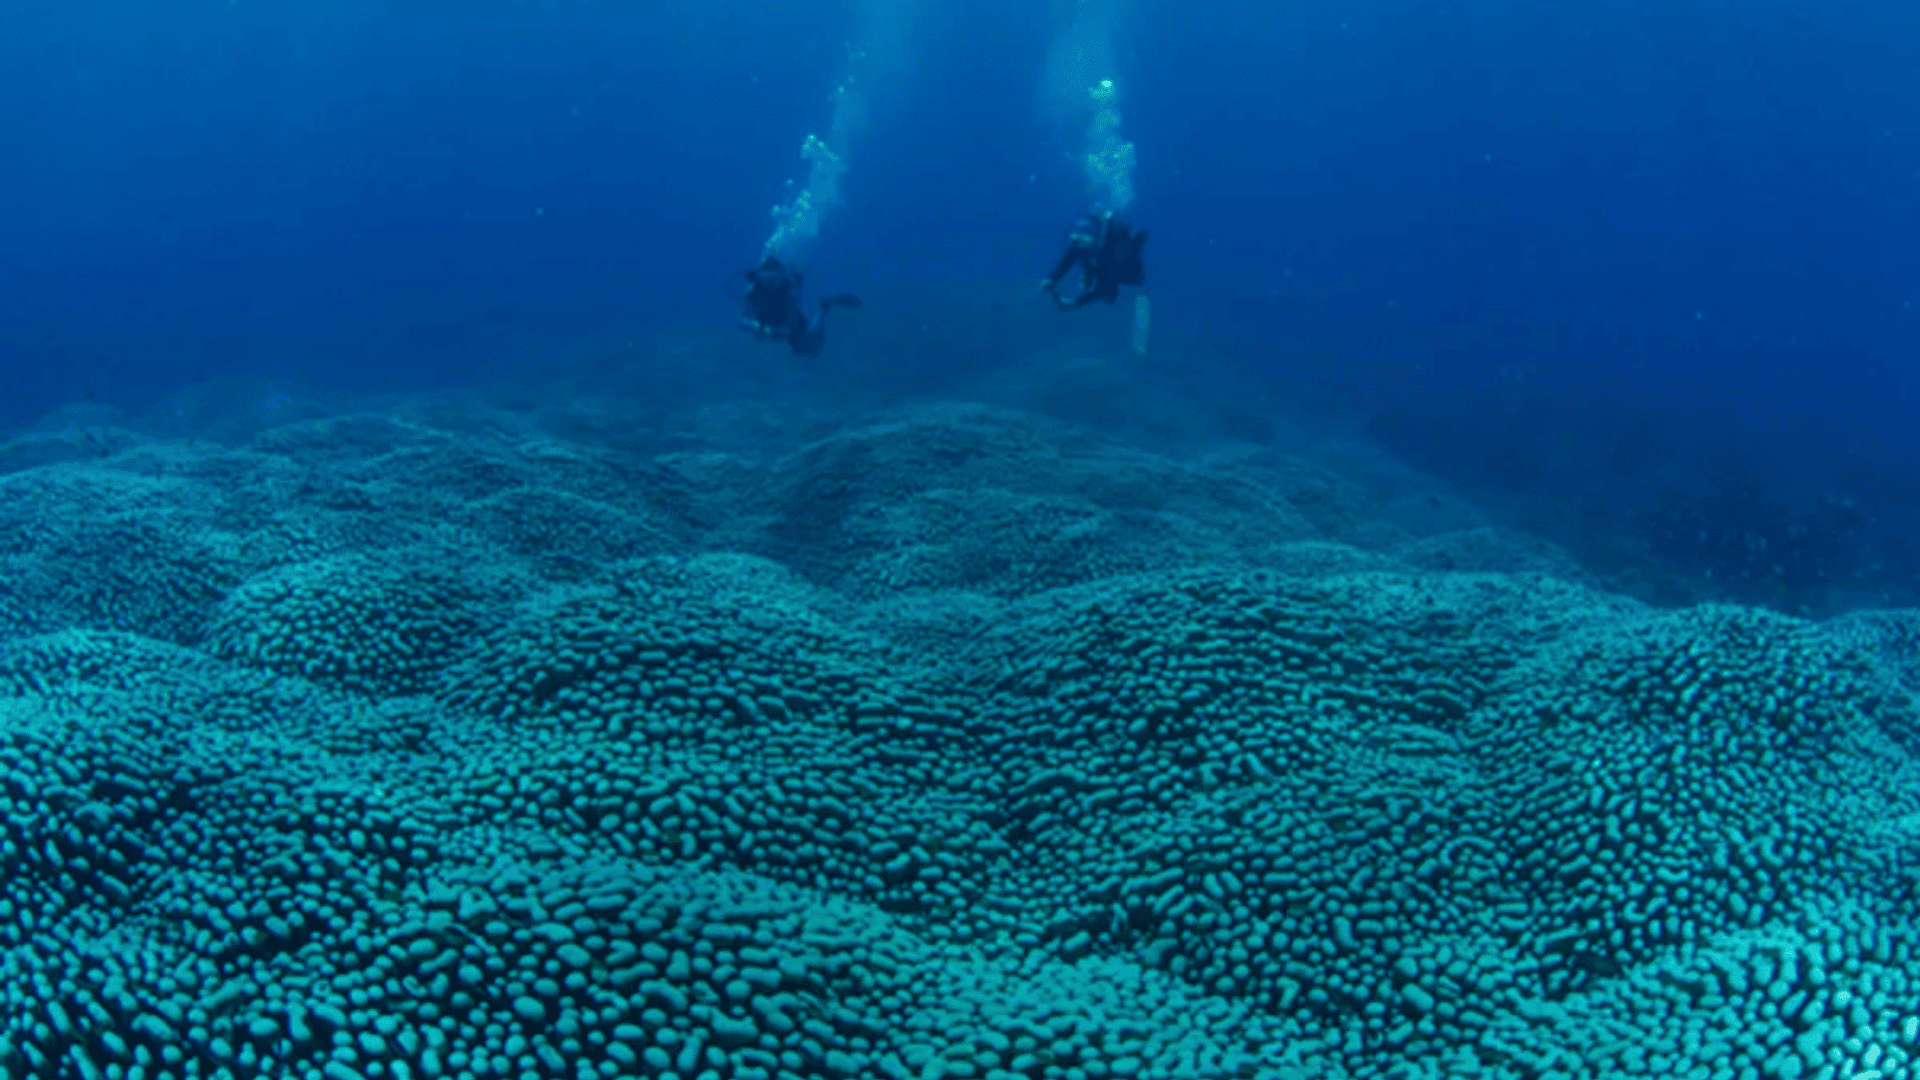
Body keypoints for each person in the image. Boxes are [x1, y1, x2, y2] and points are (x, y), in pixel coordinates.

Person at [739, 255, 862, 356]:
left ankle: (824, 307)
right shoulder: (752, 295)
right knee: (808, 346)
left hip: (786, 323)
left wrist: (764, 328)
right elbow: (748, 317)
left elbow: (790, 311)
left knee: (811, 347)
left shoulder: (778, 286)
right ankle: (823, 307)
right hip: (779, 325)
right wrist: (758, 327)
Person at [1040, 210, 1147, 310]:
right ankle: (1090, 279)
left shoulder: (1112, 252)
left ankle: (1123, 295)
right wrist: (1051, 279)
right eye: (1077, 234)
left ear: (1095, 236)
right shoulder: (1081, 246)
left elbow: (1103, 288)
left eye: (1084, 235)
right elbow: (1067, 261)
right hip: (1100, 265)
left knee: (1110, 293)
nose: (1076, 239)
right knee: (1095, 279)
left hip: (1123, 272)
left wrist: (1074, 302)